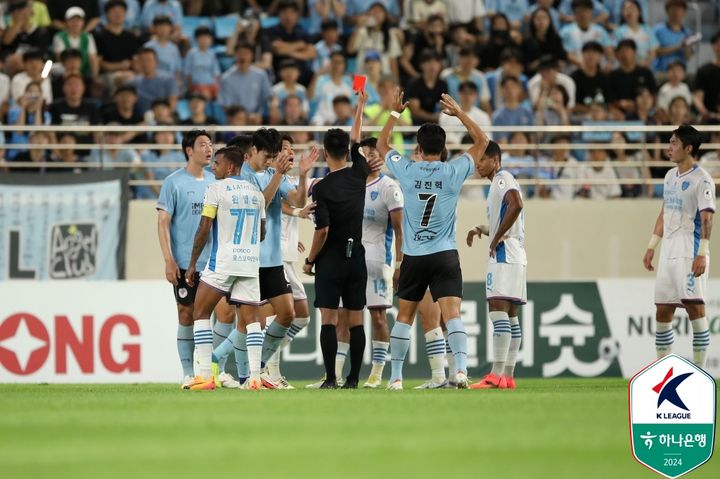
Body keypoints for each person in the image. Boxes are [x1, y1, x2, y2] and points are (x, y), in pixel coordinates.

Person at [377, 90, 490, 390]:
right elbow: (483, 143)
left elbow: (380, 145)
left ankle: (396, 378)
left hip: (414, 255)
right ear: (442, 149)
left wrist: (394, 114)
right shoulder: (453, 170)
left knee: (404, 316)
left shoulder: (408, 169)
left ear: (418, 147)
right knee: (452, 314)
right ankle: (462, 371)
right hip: (445, 254)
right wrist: (460, 113)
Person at [302, 91, 377, 389]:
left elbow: (322, 231)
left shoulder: (321, 189)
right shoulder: (359, 174)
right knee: (357, 319)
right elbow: (357, 137)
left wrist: (309, 261)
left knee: (329, 320)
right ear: (348, 152)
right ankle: (354, 378)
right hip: (355, 257)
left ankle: (331, 378)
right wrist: (360, 106)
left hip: (330, 260)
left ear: (323, 153)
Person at [183, 146, 267, 391]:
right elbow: (261, 232)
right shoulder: (256, 192)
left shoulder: (215, 189)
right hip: (250, 262)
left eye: (217, 163)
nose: (213, 166)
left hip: (223, 261)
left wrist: (191, 263)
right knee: (252, 321)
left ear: (230, 167)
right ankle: (254, 378)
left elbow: (205, 227)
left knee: (199, 313)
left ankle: (206, 376)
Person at [240, 128, 318, 389]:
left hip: (272, 259)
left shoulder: (272, 173)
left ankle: (259, 367)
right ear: (253, 151)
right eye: (268, 155)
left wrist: (303, 175)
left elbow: (296, 199)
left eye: (275, 155)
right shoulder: (245, 175)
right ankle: (242, 373)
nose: (271, 159)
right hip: (250, 260)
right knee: (252, 321)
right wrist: (278, 174)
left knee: (287, 313)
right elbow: (259, 203)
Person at [156, 129, 231, 388]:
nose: (209, 149)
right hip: (185, 262)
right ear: (189, 150)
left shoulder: (217, 181)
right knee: (186, 316)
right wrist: (168, 259)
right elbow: (163, 222)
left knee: (226, 314)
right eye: (202, 145)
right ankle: (189, 373)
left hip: (215, 263)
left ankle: (212, 365)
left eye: (210, 145)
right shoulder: (173, 182)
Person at [643, 124, 714, 369]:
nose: (669, 148)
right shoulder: (670, 176)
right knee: (663, 310)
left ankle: (701, 371)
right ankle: (664, 371)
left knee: (695, 309)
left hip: (689, 250)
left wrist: (702, 254)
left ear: (689, 147)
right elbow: (665, 211)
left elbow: (707, 218)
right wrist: (652, 245)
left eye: (674, 143)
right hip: (669, 251)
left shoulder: (701, 179)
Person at [336, 136, 404, 389]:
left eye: (374, 153)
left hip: (378, 260)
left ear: (381, 156)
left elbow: (399, 230)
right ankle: (335, 373)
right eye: (365, 154)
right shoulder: (351, 184)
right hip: (351, 259)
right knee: (343, 316)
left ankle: (376, 372)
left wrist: (399, 264)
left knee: (377, 316)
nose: (370, 158)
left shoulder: (389, 187)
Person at [467, 140, 525, 390]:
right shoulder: (501, 182)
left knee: (497, 310)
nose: (478, 164)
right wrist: (484, 229)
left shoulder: (501, 180)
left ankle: (494, 376)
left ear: (495, 160)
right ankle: (508, 377)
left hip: (504, 253)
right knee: (511, 315)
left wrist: (498, 236)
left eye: (482, 159)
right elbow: (510, 213)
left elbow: (517, 204)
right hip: (516, 253)